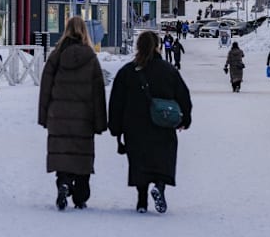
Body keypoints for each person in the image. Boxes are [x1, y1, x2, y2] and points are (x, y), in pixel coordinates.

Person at [108, 31, 193, 214]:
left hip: (134, 126)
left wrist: (115, 127)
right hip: (162, 125)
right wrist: (185, 119)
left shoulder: (127, 72)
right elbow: (183, 96)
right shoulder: (169, 71)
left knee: (140, 162)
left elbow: (116, 101)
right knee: (162, 158)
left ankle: (141, 200)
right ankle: (160, 186)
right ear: (157, 47)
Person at [38, 16, 107, 211]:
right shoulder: (90, 58)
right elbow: (98, 92)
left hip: (58, 116)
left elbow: (45, 88)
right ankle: (80, 196)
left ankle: (63, 183)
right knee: (82, 157)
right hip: (84, 118)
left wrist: (44, 117)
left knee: (63, 155)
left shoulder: (56, 56)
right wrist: (101, 122)